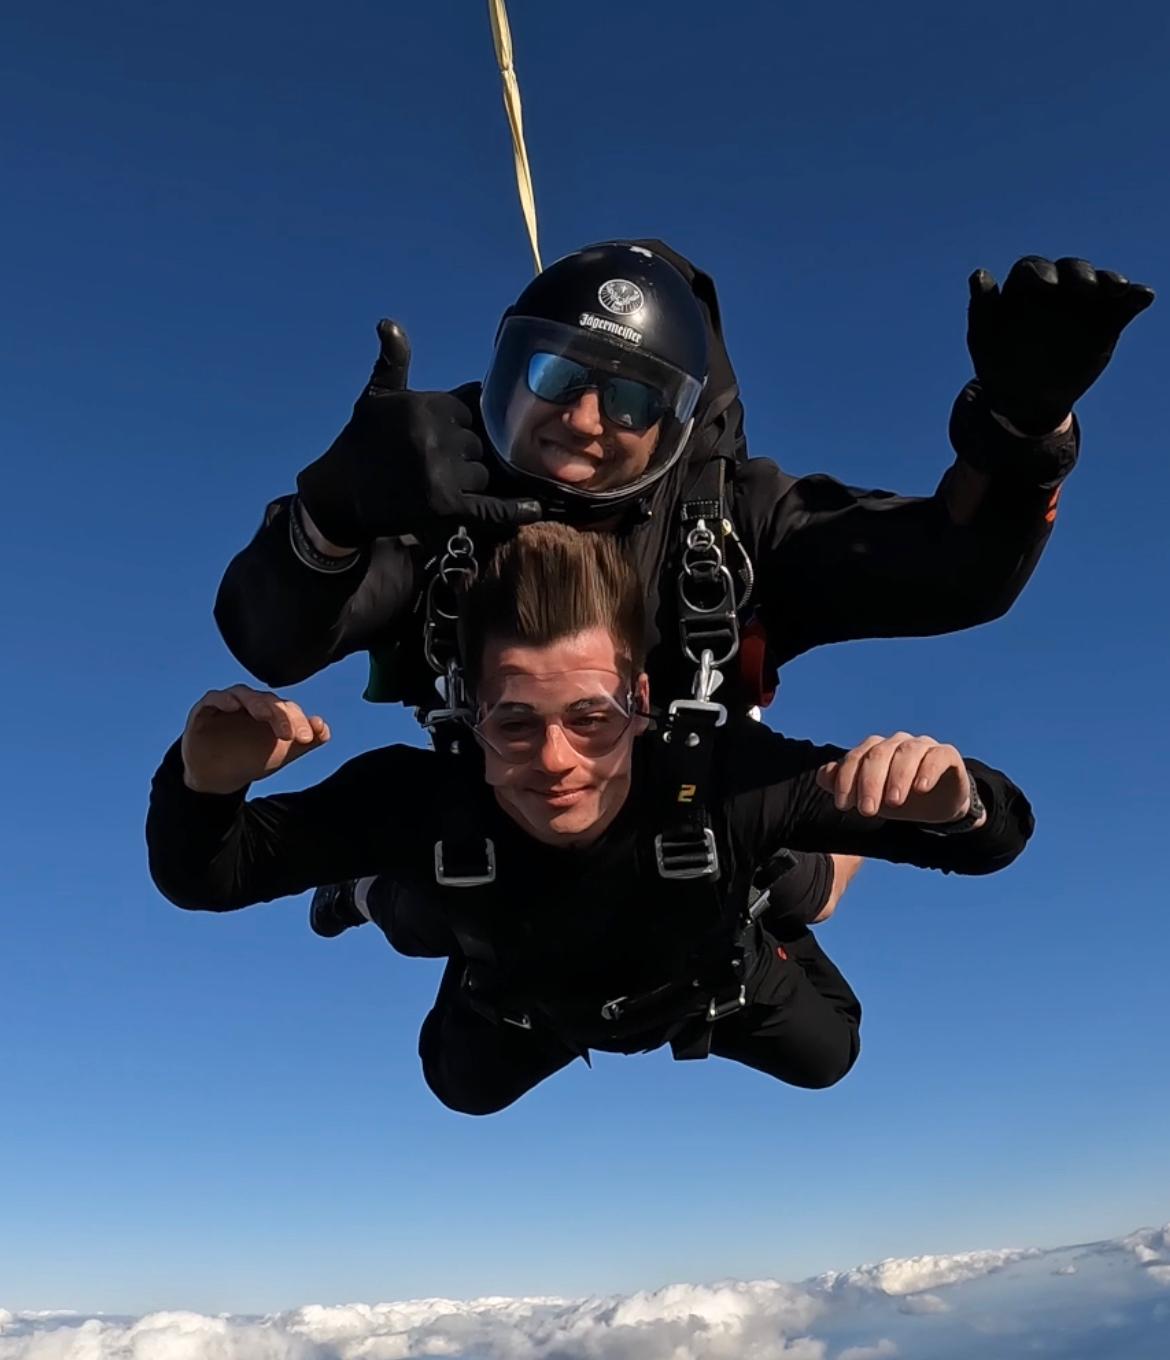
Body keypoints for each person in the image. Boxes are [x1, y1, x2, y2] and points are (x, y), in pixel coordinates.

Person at [150, 525, 1034, 1115]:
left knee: (827, 1046)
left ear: (641, 700)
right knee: (458, 1073)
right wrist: (206, 785)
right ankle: (362, 891)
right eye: (514, 722)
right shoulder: (420, 797)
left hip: (707, 962)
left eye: (591, 717)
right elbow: (206, 877)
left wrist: (951, 801)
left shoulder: (723, 775)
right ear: (470, 713)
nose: (555, 760)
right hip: (528, 993)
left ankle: (794, 869)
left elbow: (996, 839)